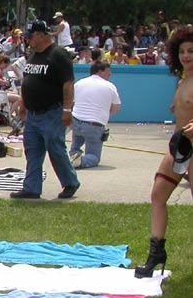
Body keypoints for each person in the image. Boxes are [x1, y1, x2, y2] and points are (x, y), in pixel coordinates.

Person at [134, 28, 193, 277]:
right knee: (158, 194)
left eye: (191, 51)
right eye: (182, 51)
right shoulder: (182, 81)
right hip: (179, 146)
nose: (186, 56)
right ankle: (156, 253)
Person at [10, 20, 80, 200]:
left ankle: (70, 183)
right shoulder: (34, 55)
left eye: (30, 37)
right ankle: (31, 188)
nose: (28, 40)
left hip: (52, 112)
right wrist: (24, 102)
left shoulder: (58, 54)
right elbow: (28, 80)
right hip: (33, 114)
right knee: (32, 151)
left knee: (55, 150)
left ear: (41, 35)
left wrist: (67, 110)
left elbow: (68, 84)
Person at [69, 61, 121, 169]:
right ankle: (80, 161)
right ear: (100, 71)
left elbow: (72, 103)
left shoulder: (79, 83)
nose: (110, 74)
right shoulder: (110, 86)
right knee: (94, 156)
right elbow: (115, 109)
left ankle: (73, 157)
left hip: (76, 121)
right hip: (95, 125)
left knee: (75, 146)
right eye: (108, 71)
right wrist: (102, 113)